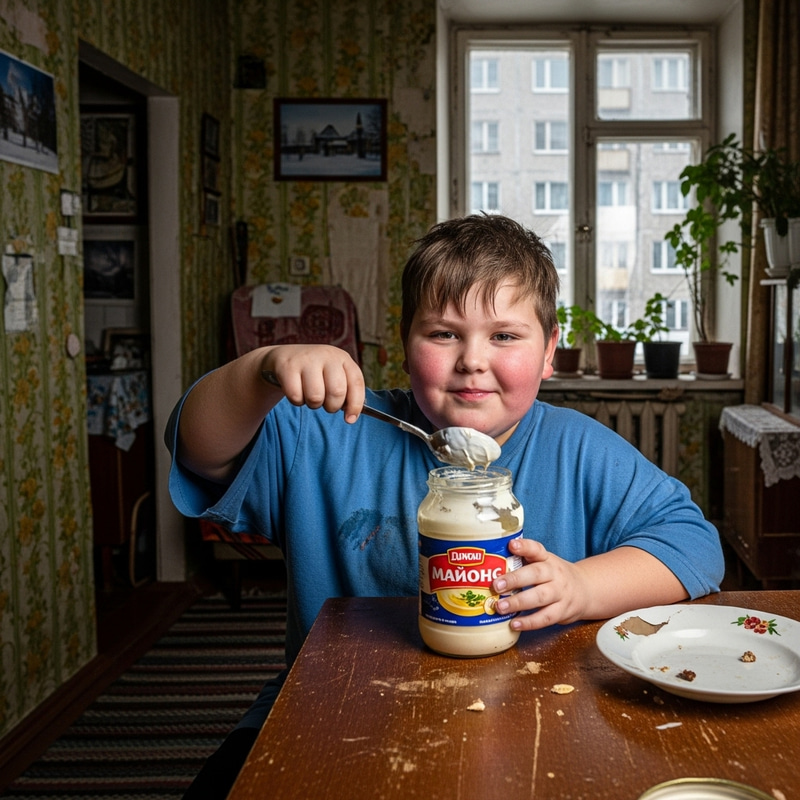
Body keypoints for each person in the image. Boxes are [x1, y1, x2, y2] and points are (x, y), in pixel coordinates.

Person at [166, 213, 724, 798]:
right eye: (443, 334)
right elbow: (198, 449)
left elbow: (694, 544)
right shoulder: (327, 434)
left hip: (536, 716)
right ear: (406, 343)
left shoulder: (581, 450)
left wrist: (582, 587)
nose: (472, 360)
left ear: (549, 352)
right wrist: (260, 371)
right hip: (331, 708)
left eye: (504, 336)